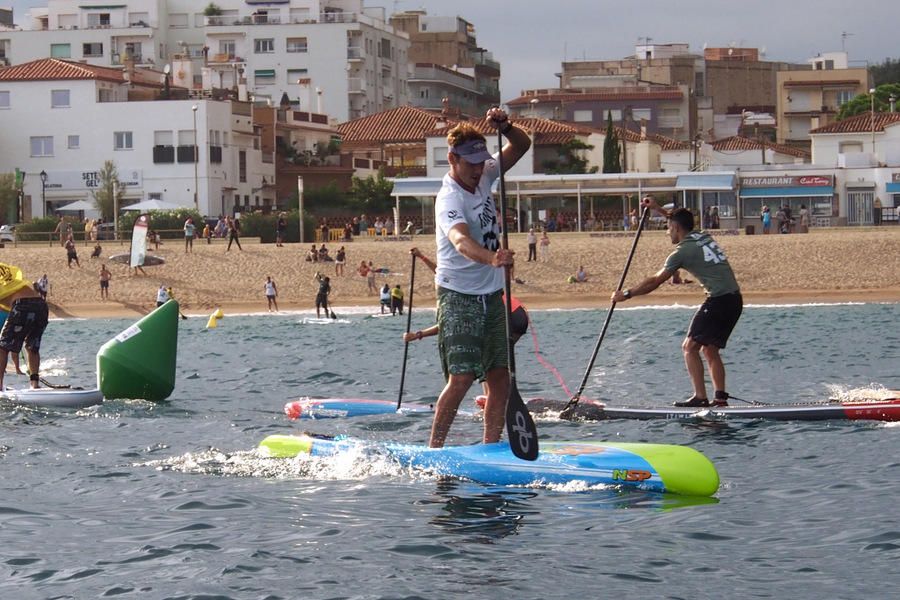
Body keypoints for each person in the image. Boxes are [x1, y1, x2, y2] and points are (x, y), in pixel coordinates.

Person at [429, 107, 531, 448]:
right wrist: (493, 258)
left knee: (500, 377)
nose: (477, 169)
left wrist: (507, 126)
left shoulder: (485, 175)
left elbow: (521, 145)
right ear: (452, 159)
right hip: (458, 294)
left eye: (480, 162)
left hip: (491, 294)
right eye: (470, 163)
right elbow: (460, 241)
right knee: (462, 377)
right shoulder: (449, 198)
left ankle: (491, 449)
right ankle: (435, 449)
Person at [611, 196, 742, 408]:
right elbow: (679, 219)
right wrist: (656, 208)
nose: (666, 231)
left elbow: (655, 281)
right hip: (735, 300)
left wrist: (626, 294)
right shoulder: (701, 235)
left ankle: (700, 397)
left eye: (668, 227)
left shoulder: (681, 252)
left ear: (675, 228)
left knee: (689, 347)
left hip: (718, 301)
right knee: (709, 350)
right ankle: (720, 398)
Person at [0, 263, 50, 390]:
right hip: (41, 305)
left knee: (2, 346)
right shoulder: (4, 273)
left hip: (22, 304)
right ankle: (35, 384)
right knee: (32, 346)